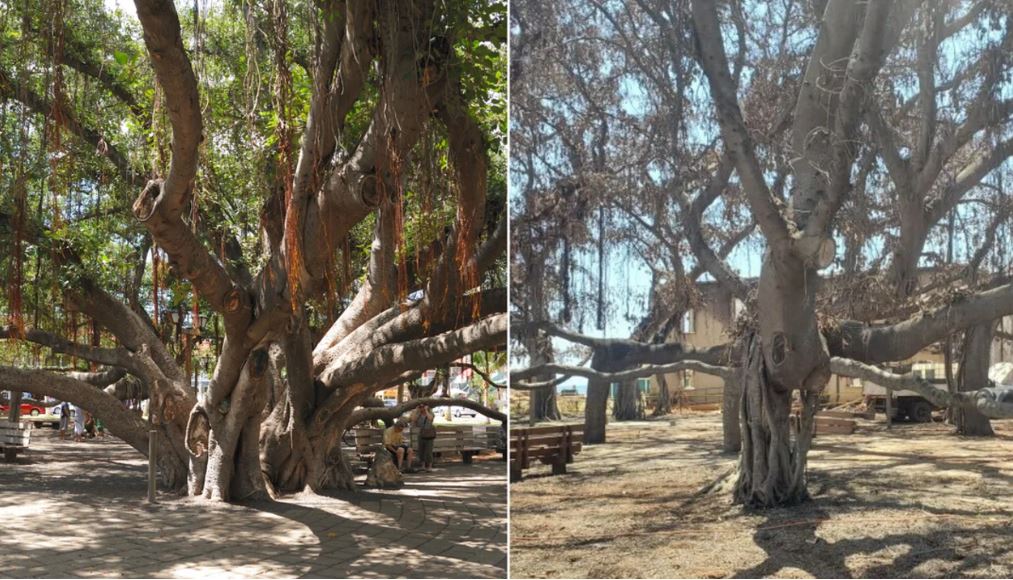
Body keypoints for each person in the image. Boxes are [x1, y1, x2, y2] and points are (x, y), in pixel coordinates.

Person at [412, 404, 437, 472]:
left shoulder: (430, 413)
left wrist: (426, 410)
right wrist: (416, 410)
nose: (421, 408)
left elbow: (430, 418)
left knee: (428, 451)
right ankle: (422, 466)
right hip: (421, 434)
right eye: (420, 407)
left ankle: (429, 466)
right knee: (421, 451)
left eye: (423, 407)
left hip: (429, 434)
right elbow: (413, 419)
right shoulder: (418, 414)